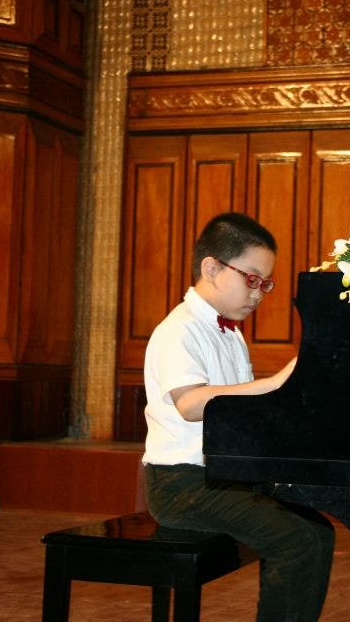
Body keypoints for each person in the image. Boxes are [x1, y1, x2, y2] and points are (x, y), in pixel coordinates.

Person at [142, 212, 335, 621]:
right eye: (251, 279)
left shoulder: (231, 335)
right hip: (180, 484)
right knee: (296, 541)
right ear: (211, 268)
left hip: (222, 476)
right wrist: (275, 382)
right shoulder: (178, 329)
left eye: (265, 283)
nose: (258, 293)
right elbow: (191, 404)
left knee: (318, 531)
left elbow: (244, 413)